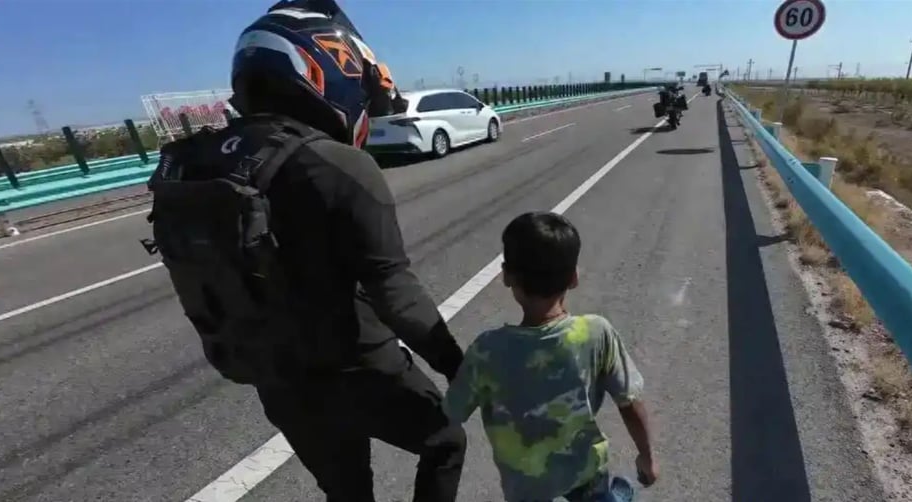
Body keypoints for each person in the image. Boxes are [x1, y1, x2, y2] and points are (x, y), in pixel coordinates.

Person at [144, 1, 466, 501]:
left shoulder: (197, 161)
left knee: (347, 492)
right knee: (444, 441)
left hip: (276, 379)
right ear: (320, 67)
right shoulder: (336, 163)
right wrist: (459, 368)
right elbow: (397, 295)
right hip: (358, 367)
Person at [442, 212, 658, 502]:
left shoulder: (487, 350)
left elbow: (454, 410)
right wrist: (647, 458)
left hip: (525, 487)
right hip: (585, 471)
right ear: (574, 277)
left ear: (507, 275)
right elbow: (630, 403)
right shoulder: (596, 332)